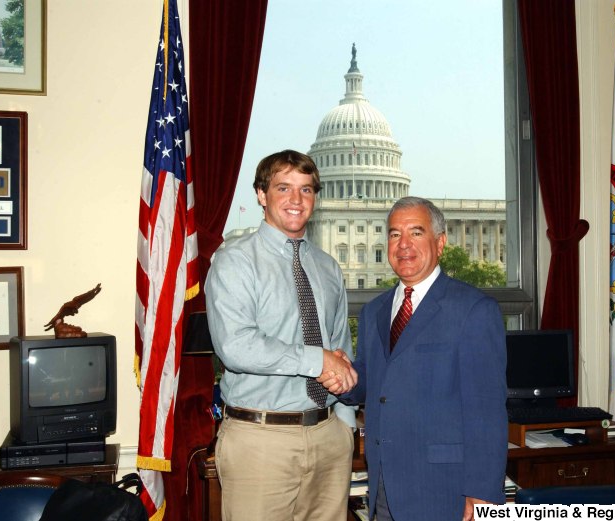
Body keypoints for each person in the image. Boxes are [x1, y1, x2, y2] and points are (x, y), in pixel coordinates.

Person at [322, 196, 507, 520]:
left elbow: (486, 411)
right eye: (394, 234)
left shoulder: (474, 310)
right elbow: (376, 382)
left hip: (444, 489)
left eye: (416, 232)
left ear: (440, 242)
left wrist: (481, 493)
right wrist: (344, 378)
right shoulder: (374, 311)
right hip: (383, 485)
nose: (403, 244)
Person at [205, 149, 358, 521]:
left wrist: (347, 427)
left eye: (306, 190)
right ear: (261, 195)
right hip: (261, 439)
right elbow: (236, 347)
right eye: (283, 188)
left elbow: (341, 348)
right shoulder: (235, 261)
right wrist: (315, 359)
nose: (296, 200)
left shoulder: (327, 267)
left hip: (328, 435)